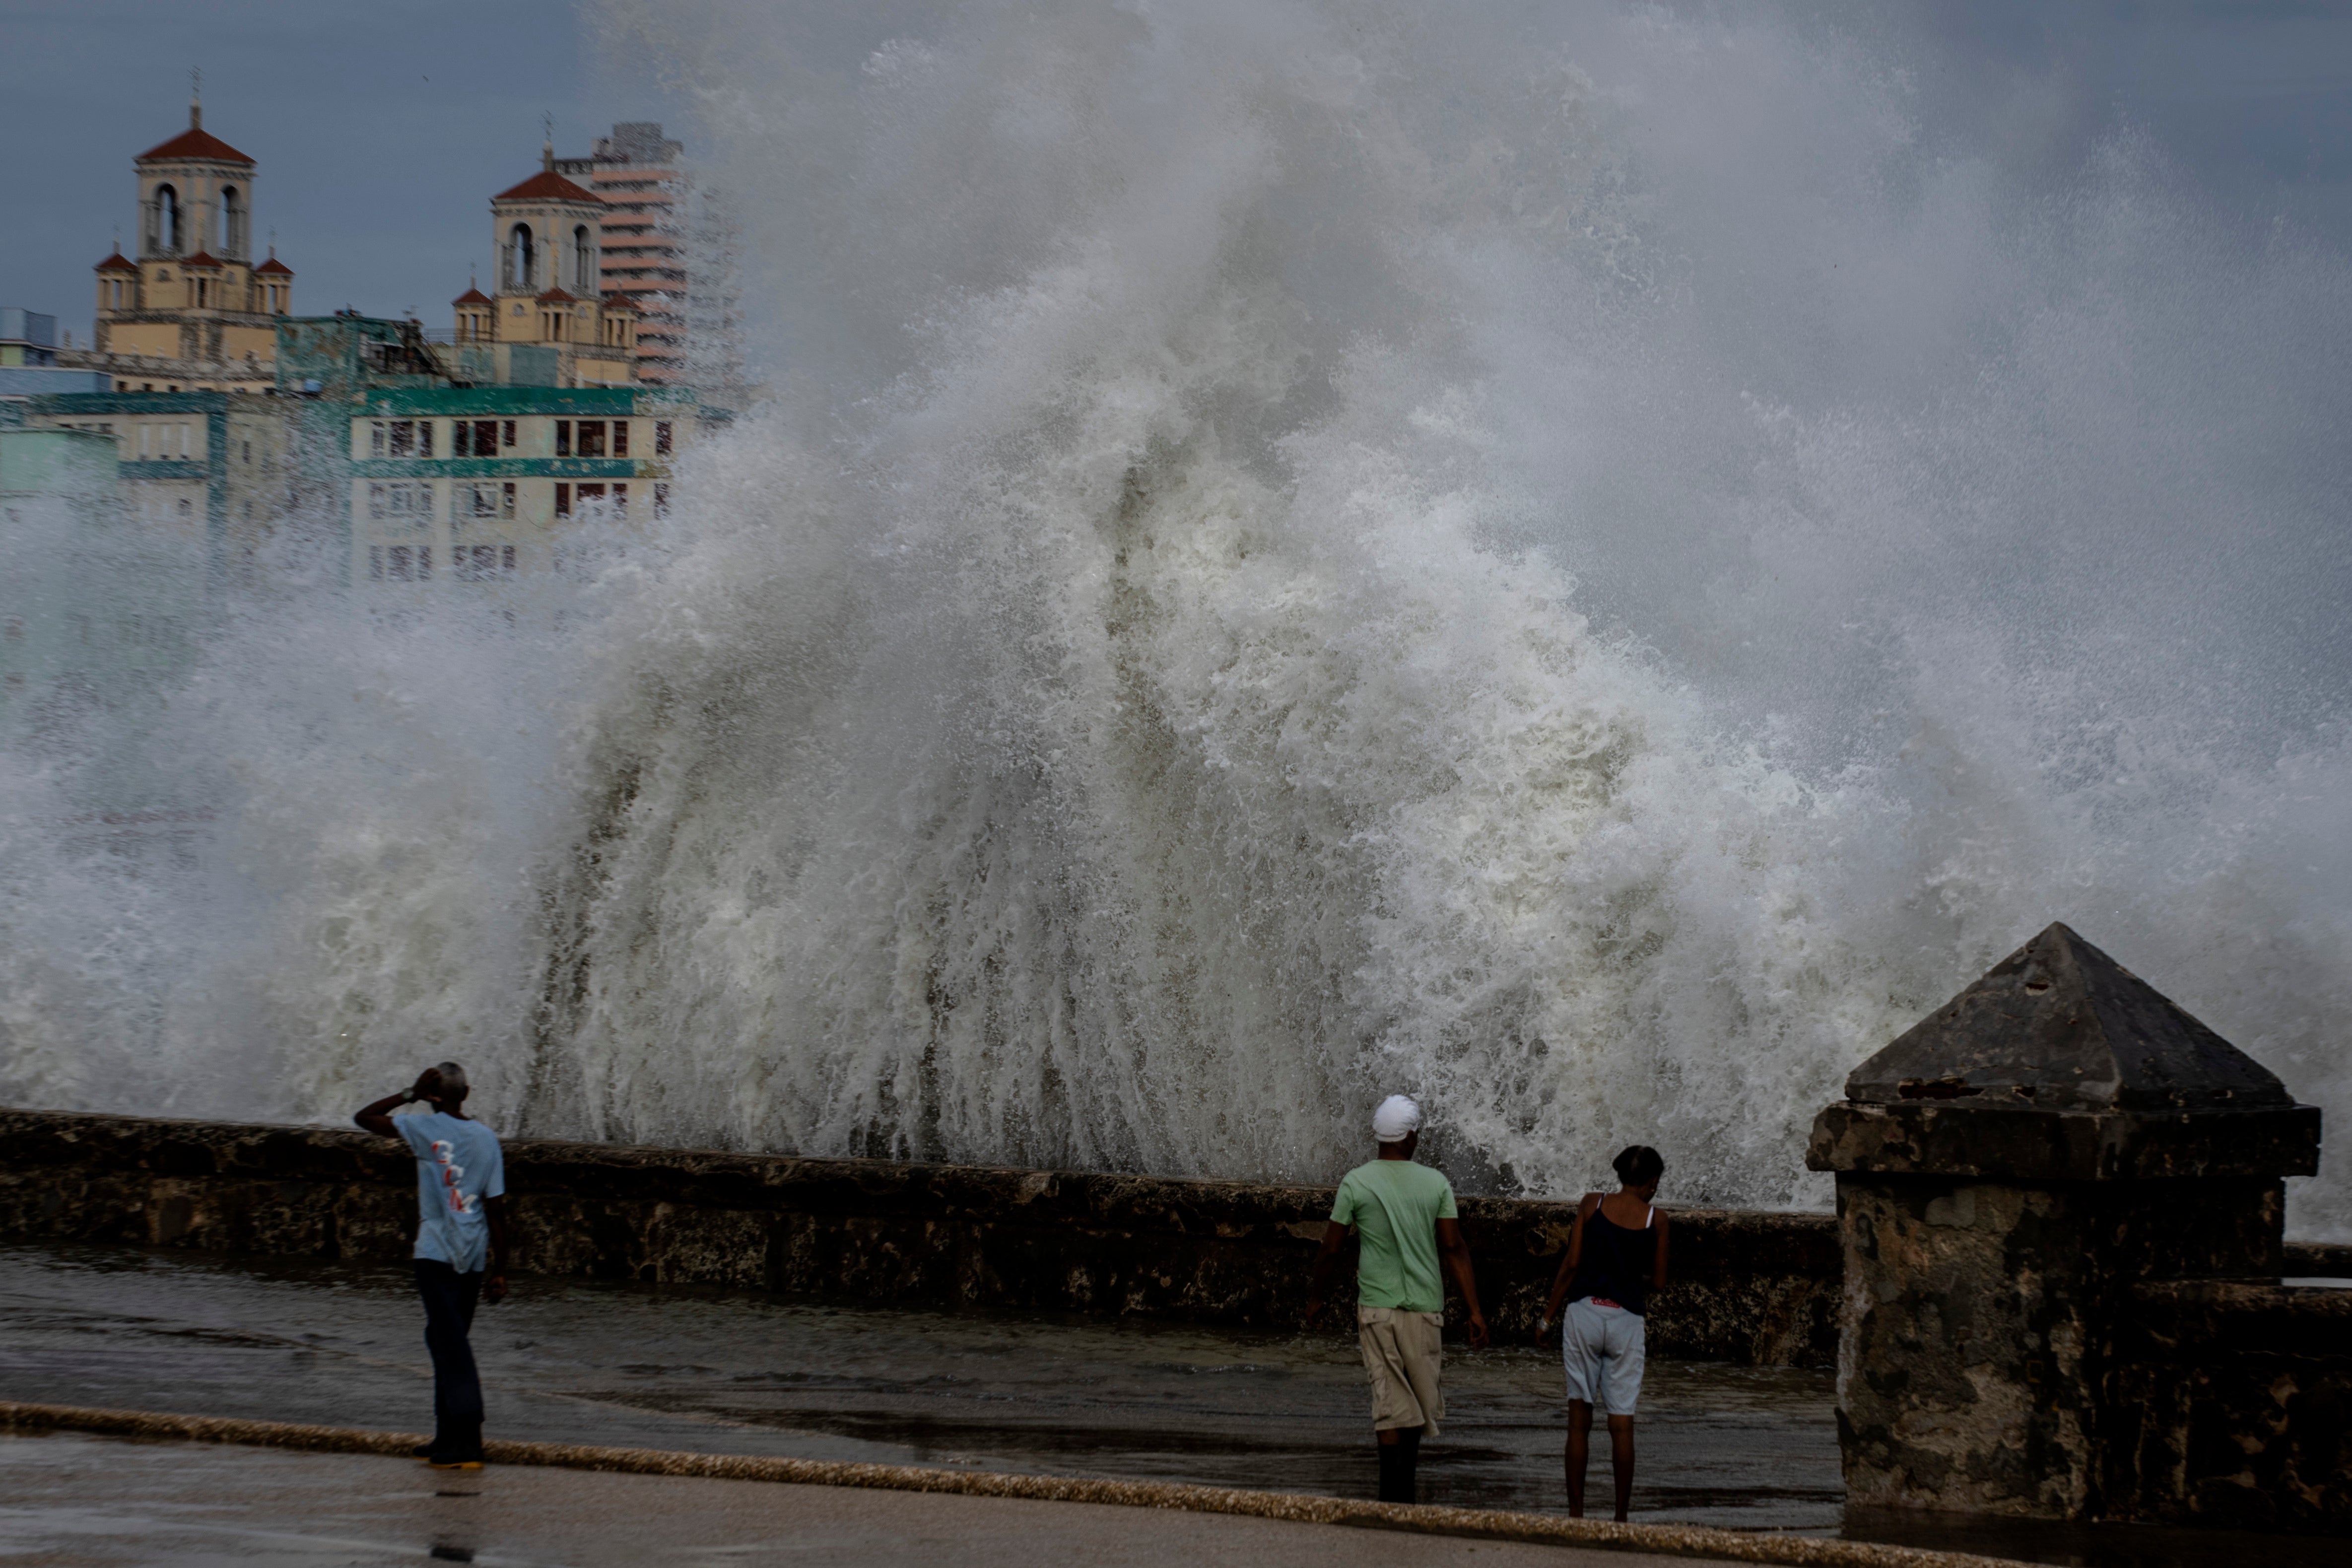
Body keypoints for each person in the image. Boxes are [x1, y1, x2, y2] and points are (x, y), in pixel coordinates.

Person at [1304, 1094, 1489, 1505]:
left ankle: (1391, 1499)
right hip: (1425, 1309)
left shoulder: (1356, 1181)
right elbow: (1453, 1247)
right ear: (1409, 1136)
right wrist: (1475, 1310)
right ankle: (1405, 1497)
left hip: (1377, 1308)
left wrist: (1317, 1297)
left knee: (1389, 1401)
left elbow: (1331, 1248)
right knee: (1417, 1405)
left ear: (1380, 1136)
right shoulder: (1435, 1183)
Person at [355, 1063, 510, 1469]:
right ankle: (448, 1435)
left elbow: (364, 1117)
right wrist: (500, 1270)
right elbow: (497, 1210)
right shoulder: (487, 1138)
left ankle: (469, 1442)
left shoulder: (424, 1128)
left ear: (433, 1096)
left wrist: (410, 1094)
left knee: (451, 1343)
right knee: (444, 1339)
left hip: (436, 1254)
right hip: (473, 1256)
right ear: (467, 1093)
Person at [1541, 1144, 1669, 1521]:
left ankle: (1576, 1515)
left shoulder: (1591, 1204)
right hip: (1626, 1321)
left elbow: (1571, 1265)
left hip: (1584, 1314)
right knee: (1622, 1423)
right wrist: (1630, 1277)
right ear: (1652, 1182)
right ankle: (1620, 1517)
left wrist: (1547, 1318)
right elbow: (1659, 1282)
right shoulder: (1657, 1220)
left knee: (1579, 1421)